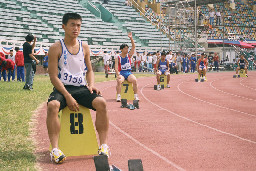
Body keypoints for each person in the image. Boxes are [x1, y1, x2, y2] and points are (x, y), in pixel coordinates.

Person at [47, 13, 109, 164]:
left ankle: (103, 145)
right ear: (64, 26)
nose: (76, 28)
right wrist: (67, 96)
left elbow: (89, 70)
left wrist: (91, 84)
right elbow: (53, 76)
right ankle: (55, 150)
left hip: (81, 88)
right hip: (63, 89)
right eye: (72, 24)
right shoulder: (55, 48)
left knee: (102, 103)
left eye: (79, 25)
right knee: (52, 106)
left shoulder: (84, 46)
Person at [115, 32, 139, 102]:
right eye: (125, 48)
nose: (127, 50)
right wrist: (118, 75)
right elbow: (116, 68)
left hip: (128, 73)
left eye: (127, 48)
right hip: (122, 73)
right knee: (119, 80)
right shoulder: (118, 57)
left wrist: (131, 38)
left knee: (134, 80)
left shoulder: (129, 55)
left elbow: (134, 47)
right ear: (121, 49)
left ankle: (136, 96)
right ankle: (119, 96)